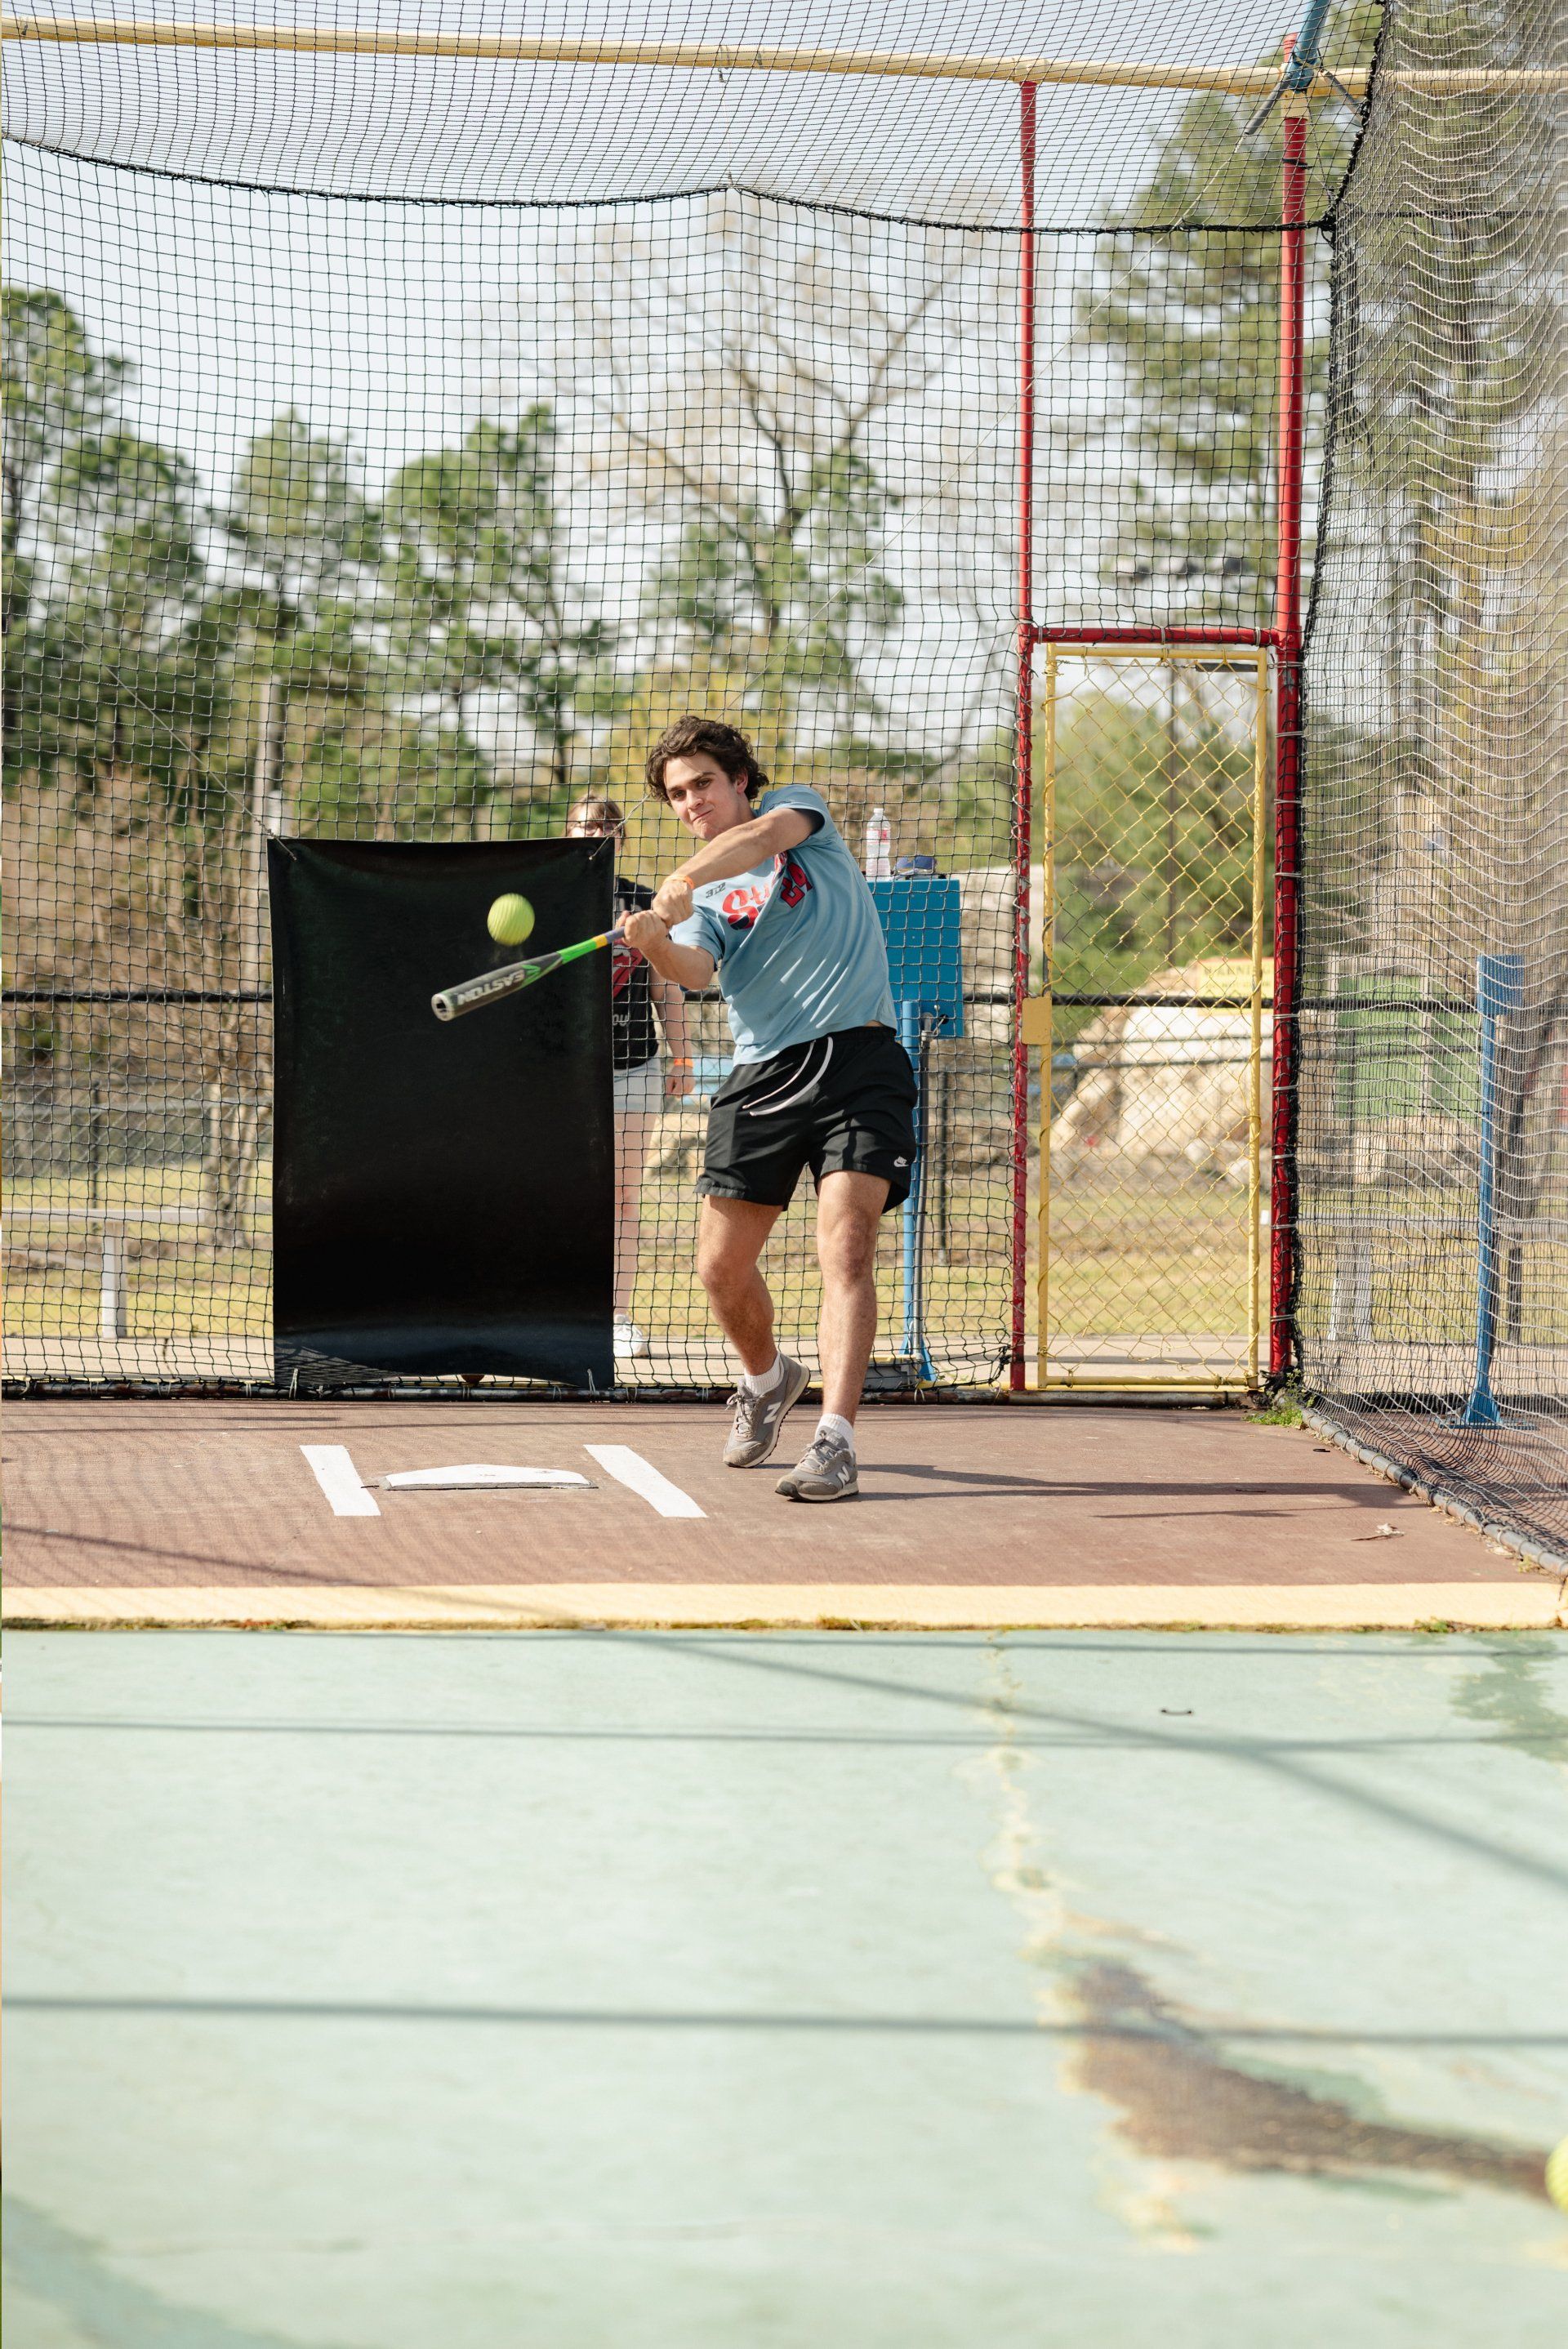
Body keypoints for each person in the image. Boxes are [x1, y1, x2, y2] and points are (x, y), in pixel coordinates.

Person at [621, 715, 915, 1502]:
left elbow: (754, 844)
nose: (691, 801)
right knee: (719, 1270)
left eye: (702, 784)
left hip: (859, 1059)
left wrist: (679, 882)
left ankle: (836, 1439)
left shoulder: (796, 813)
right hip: (764, 1077)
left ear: (739, 780)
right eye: (677, 795)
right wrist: (655, 941)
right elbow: (694, 969)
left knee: (848, 1249)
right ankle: (767, 1377)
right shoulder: (708, 895)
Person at [564, 793, 693, 1360]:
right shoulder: (550, 902)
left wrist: (682, 1057)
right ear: (568, 836)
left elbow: (667, 985)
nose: (594, 834)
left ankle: (614, 1317)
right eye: (583, 826)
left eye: (604, 827)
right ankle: (557, 1310)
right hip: (561, 1076)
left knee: (622, 1196)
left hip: (633, 1065)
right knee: (560, 1192)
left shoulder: (642, 906)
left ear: (620, 839)